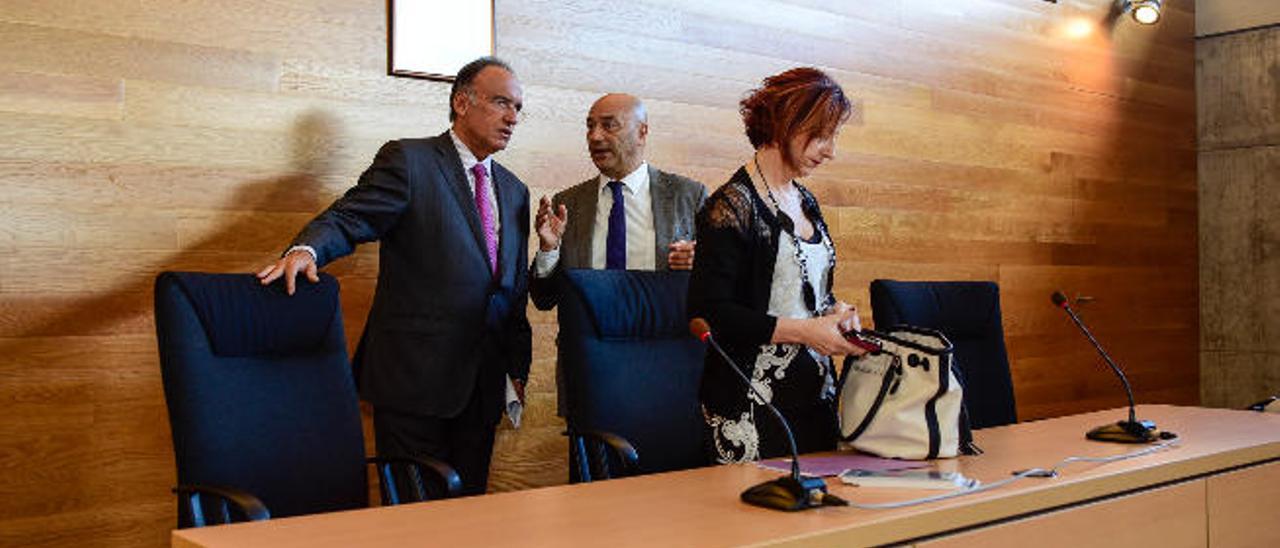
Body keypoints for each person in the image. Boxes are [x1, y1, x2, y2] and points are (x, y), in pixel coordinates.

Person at [256, 57, 532, 496]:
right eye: (502, 103)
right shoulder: (410, 160)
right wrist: (307, 249)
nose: (513, 117)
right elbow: (351, 217)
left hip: (481, 387)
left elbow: (511, 290)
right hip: (414, 384)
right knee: (412, 525)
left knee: (471, 522)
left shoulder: (515, 190)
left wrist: (517, 366)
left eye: (518, 107)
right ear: (462, 102)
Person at [688, 67, 866, 464]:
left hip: (815, 398)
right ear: (787, 124)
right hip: (751, 408)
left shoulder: (805, 201)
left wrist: (835, 313)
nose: (831, 150)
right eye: (822, 135)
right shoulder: (731, 207)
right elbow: (710, 314)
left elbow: (803, 290)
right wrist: (806, 332)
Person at [530, 93, 706, 308]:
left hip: (664, 335)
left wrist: (705, 263)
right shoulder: (568, 204)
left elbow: (725, 281)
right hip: (590, 338)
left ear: (642, 132)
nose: (595, 137)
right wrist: (549, 250)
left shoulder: (689, 196)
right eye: (590, 126)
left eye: (609, 125)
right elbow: (544, 299)